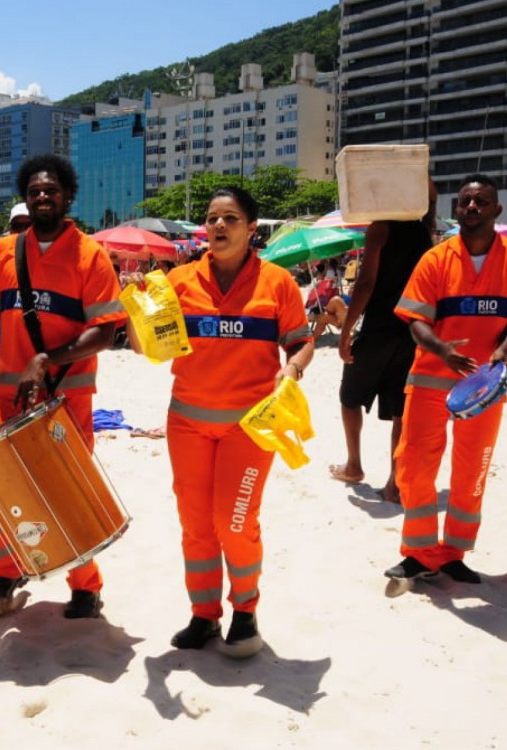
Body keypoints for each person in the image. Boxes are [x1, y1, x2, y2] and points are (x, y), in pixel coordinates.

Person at [141, 187, 314, 656]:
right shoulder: (178, 281)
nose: (219, 227)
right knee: (196, 523)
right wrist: (141, 323)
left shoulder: (276, 282)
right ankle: (203, 616)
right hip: (188, 423)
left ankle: (245, 610)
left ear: (251, 229)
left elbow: (301, 341)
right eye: (213, 219)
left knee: (234, 522)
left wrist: (292, 367)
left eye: (231, 219)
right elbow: (153, 349)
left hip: (251, 425)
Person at [0, 154, 126, 619]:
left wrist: (47, 359)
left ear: (67, 196)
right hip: (5, 396)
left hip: (65, 399)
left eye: (50, 190)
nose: (42, 196)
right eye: (34, 190)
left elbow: (107, 331)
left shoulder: (90, 256)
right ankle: (6, 570)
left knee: (66, 491)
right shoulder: (3, 252)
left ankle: (86, 586)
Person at [386, 174, 507, 583]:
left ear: (497, 210)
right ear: (456, 210)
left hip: (485, 388)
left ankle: (454, 552)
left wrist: (502, 354)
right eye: (465, 202)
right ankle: (419, 553)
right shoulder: (435, 259)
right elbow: (415, 321)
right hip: (430, 379)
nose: (472, 207)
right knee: (414, 466)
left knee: (472, 469)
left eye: (481, 202)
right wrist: (442, 350)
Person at [330, 182, 437, 500]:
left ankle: (354, 465)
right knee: (400, 410)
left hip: (378, 328)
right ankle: (394, 483)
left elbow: (366, 283)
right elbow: (432, 195)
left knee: (350, 396)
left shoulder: (381, 228)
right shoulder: (424, 231)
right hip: (411, 329)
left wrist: (347, 330)